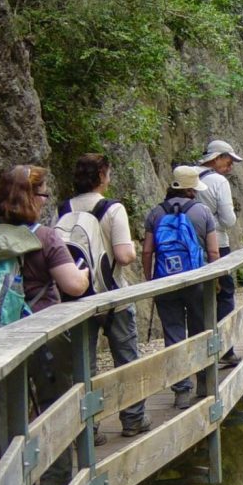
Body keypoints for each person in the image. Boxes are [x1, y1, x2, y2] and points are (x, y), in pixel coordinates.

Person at [0, 164, 89, 485]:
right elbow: (72, 286)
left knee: (6, 407)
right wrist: (84, 272)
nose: (45, 201)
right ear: (30, 197)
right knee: (52, 402)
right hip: (40, 334)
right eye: (43, 194)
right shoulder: (44, 237)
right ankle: (54, 478)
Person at [61, 154, 152, 439]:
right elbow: (124, 256)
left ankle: (88, 429)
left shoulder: (63, 209)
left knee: (84, 366)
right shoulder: (113, 209)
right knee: (126, 359)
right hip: (114, 297)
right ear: (101, 175)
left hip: (79, 299)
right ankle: (133, 419)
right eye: (108, 173)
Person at [142, 166, 220, 409]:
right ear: (191, 189)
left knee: (174, 334)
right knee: (201, 328)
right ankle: (205, 382)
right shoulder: (203, 212)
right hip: (197, 280)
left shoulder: (156, 213)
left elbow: (146, 251)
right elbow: (214, 251)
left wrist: (150, 280)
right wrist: (214, 280)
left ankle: (181, 391)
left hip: (165, 281)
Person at [196, 139, 240, 367]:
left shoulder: (188, 176)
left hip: (189, 248)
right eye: (229, 160)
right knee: (224, 293)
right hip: (217, 244)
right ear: (217, 158)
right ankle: (225, 348)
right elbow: (229, 220)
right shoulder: (218, 181)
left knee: (198, 298)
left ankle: (200, 352)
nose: (231, 165)